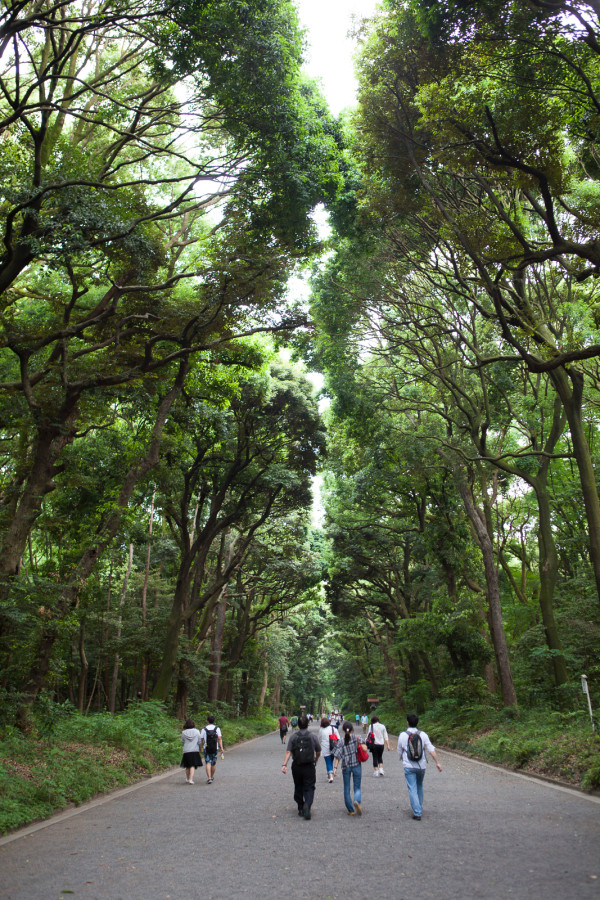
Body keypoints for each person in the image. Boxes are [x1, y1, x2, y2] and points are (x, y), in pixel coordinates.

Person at [397, 713, 442, 819]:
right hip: (421, 766)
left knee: (412, 788)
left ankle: (417, 812)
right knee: (419, 785)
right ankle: (419, 807)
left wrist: (402, 758)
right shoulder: (423, 735)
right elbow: (431, 749)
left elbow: (400, 750)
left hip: (408, 765)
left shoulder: (403, 735)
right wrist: (437, 762)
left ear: (407, 723)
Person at [281, 714, 321, 819]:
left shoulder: (293, 737)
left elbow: (288, 751)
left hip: (297, 766)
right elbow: (318, 751)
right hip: (309, 765)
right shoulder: (313, 736)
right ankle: (307, 804)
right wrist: (315, 759)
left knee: (298, 785)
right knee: (309, 786)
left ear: (298, 725)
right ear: (308, 724)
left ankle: (300, 807)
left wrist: (284, 764)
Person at [332, 721, 364, 816]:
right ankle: (357, 801)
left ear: (342, 729)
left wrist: (335, 768)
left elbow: (337, 755)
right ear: (352, 729)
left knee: (346, 788)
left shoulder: (341, 741)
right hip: (356, 765)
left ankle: (351, 810)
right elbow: (365, 747)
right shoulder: (357, 738)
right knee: (357, 787)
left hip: (346, 767)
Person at [200, 714, 224, 784]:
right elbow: (219, 739)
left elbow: (201, 739)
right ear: (214, 721)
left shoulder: (204, 729)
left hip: (206, 748)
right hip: (215, 748)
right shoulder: (217, 729)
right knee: (213, 763)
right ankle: (212, 776)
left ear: (207, 721)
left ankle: (209, 777)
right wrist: (221, 748)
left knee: (208, 762)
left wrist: (200, 747)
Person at [180, 717, 202, 784]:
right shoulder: (197, 731)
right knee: (192, 765)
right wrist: (200, 748)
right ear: (193, 724)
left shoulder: (183, 733)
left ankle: (187, 778)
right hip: (194, 750)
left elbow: (182, 741)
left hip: (186, 750)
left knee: (187, 765)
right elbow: (199, 741)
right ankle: (191, 779)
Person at [319, 716, 340, 783]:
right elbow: (338, 738)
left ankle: (330, 776)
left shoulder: (321, 730)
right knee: (331, 760)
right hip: (333, 747)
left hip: (325, 748)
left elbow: (319, 739)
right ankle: (329, 774)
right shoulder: (333, 729)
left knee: (328, 762)